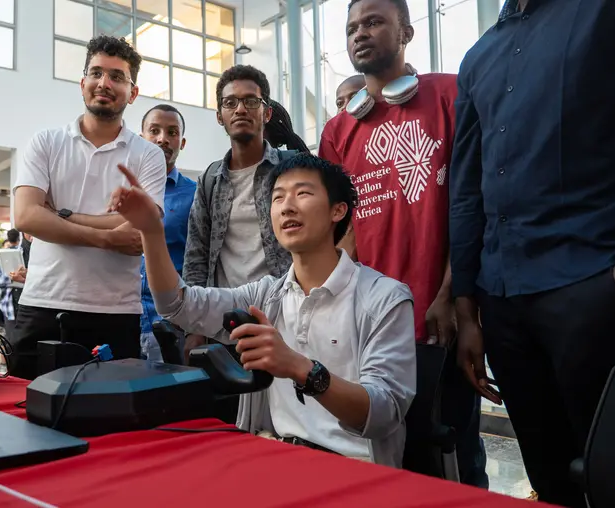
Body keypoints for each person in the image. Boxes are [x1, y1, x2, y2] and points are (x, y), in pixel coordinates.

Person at [450, 1, 615, 505]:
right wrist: (467, 306)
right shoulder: (479, 56)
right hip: (503, 303)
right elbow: (468, 187)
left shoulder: (612, 11)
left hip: (599, 288)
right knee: (551, 476)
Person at [109, 153, 416, 466]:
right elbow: (177, 304)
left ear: (338, 210)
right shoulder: (267, 295)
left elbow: (383, 413)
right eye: (278, 197)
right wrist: (151, 231)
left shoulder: (385, 299)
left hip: (356, 470)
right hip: (275, 458)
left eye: (303, 193)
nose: (287, 206)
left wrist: (301, 368)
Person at [319, 0, 487, 488]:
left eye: (374, 22)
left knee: (452, 460)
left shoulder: (451, 94)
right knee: (386, 464)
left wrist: (456, 298)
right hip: (372, 328)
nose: (360, 34)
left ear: (407, 32)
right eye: (352, 27)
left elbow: (472, 204)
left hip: (440, 319)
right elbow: (342, 234)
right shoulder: (338, 130)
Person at [12, 34, 166, 378]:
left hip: (114, 313)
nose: (104, 83)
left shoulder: (148, 156)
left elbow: (141, 233)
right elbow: (26, 216)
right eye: (96, 73)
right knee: (22, 417)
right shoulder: (46, 143)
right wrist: (107, 237)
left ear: (133, 92)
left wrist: (58, 216)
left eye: (117, 76)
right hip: (43, 305)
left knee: (109, 424)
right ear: (82, 83)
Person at [183, 65, 303, 358]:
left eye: (251, 101)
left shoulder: (292, 167)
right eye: (230, 102)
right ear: (219, 116)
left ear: (266, 113)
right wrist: (194, 326)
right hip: (227, 322)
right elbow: (196, 253)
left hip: (286, 317)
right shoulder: (210, 178)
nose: (240, 109)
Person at [137, 104, 197, 362]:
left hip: (170, 326)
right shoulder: (121, 190)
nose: (163, 138)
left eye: (172, 132)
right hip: (119, 320)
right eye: (154, 130)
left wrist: (196, 328)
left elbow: (199, 264)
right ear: (141, 138)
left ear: (181, 142)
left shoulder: (195, 195)